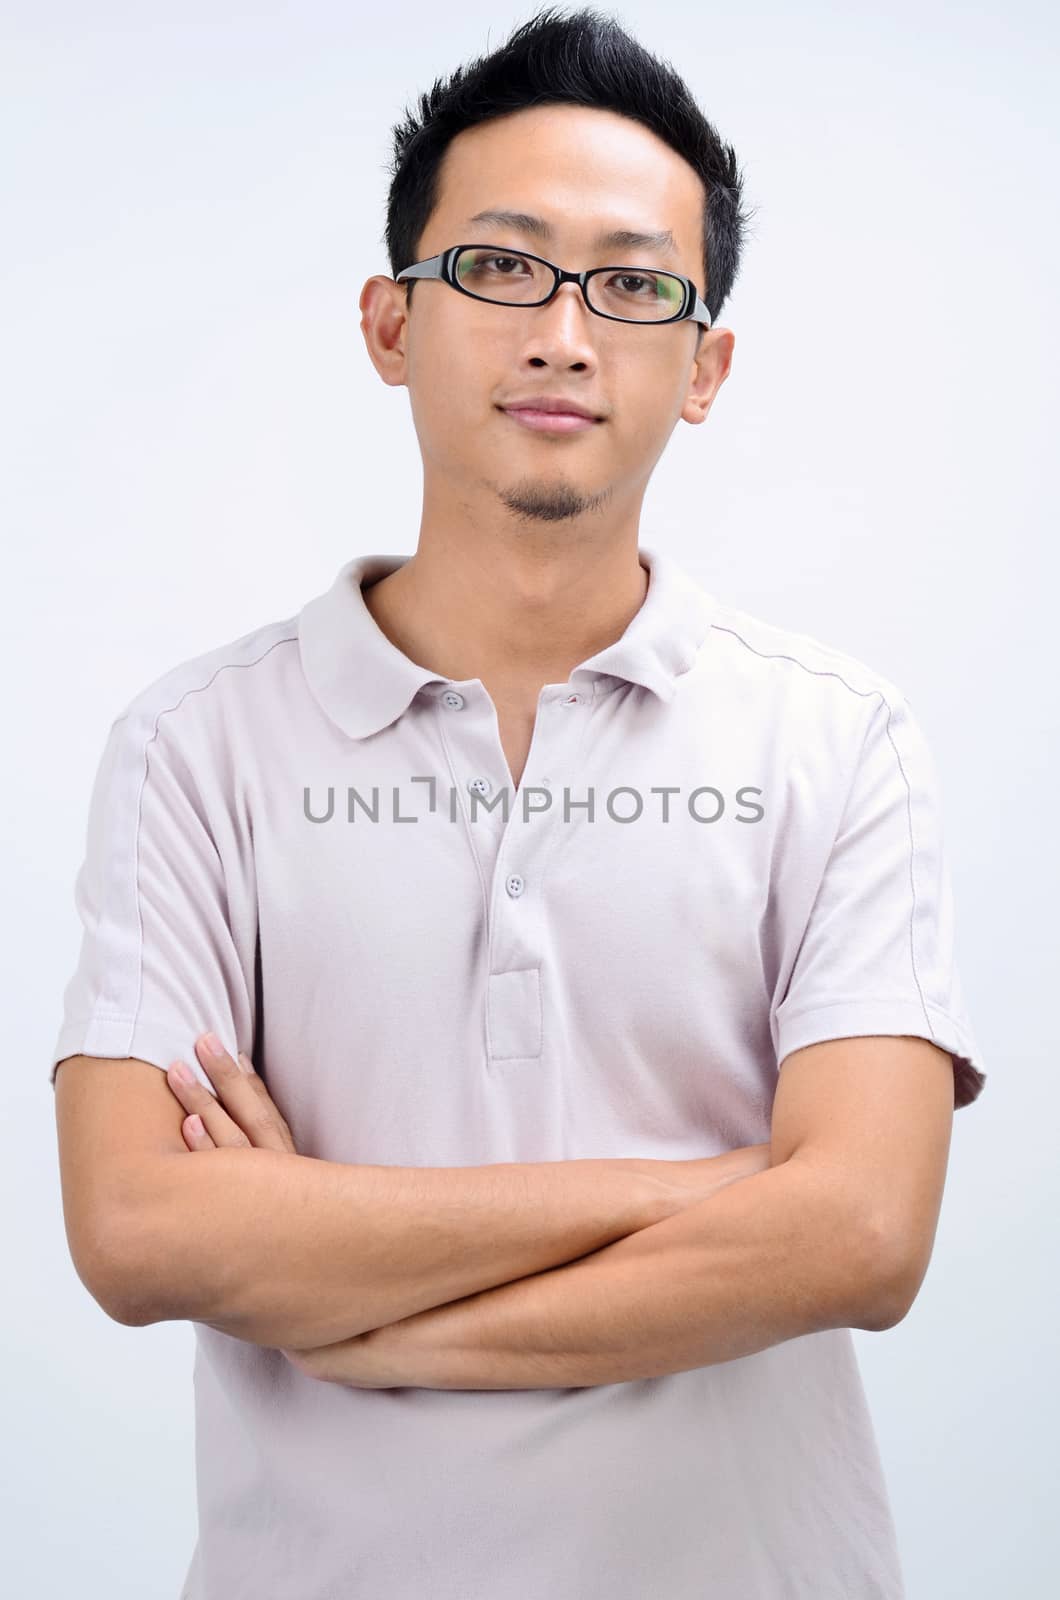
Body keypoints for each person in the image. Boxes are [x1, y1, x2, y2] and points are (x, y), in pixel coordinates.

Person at [50, 7, 986, 1598]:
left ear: (705, 366)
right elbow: (137, 1234)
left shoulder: (838, 737)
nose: (565, 332)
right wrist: (724, 1184)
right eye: (501, 266)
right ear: (389, 323)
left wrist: (354, 1305)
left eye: (633, 285)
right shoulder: (194, 749)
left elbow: (863, 1240)